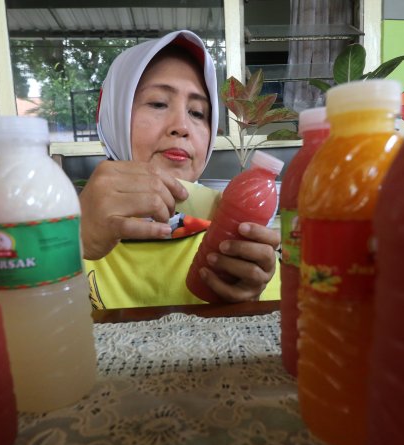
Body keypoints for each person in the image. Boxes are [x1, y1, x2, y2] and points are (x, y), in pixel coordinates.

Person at [81, 30, 281, 309]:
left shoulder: (238, 246)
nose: (182, 126)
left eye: (198, 113)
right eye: (158, 103)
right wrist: (71, 246)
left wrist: (248, 302)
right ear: (113, 115)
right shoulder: (61, 233)